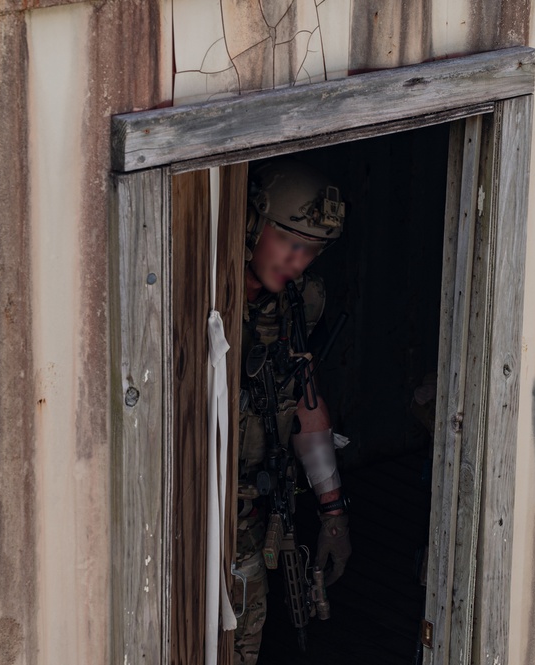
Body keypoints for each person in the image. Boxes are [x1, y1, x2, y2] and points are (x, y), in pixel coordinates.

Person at [233, 157, 352, 664]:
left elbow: (305, 403)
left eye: (313, 251)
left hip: (253, 509)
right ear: (255, 223)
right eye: (291, 243)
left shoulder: (296, 306)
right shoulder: (202, 296)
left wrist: (332, 513)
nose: (299, 262)